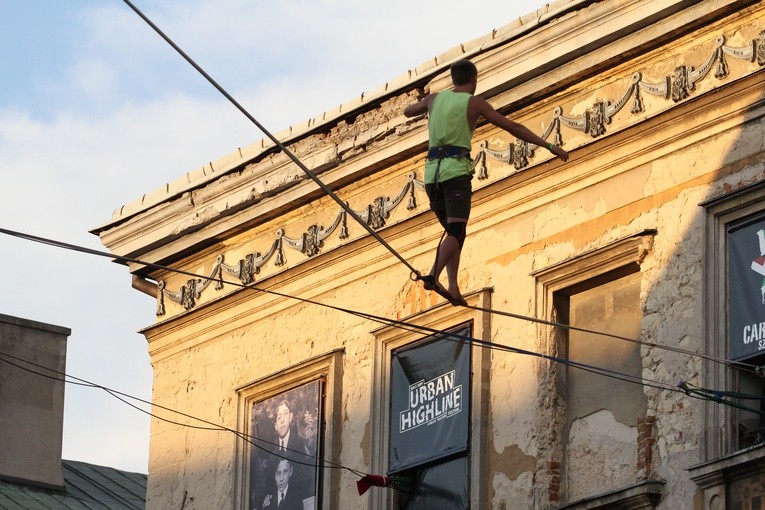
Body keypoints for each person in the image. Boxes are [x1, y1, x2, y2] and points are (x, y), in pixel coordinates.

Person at [404, 59, 569, 305]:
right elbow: (513, 127)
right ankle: (434, 275)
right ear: (474, 80)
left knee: (456, 232)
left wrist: (422, 103)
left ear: (453, 79)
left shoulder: (435, 100)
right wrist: (549, 145)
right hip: (455, 174)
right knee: (456, 232)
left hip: (431, 177)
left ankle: (453, 286)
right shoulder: (474, 103)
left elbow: (408, 112)